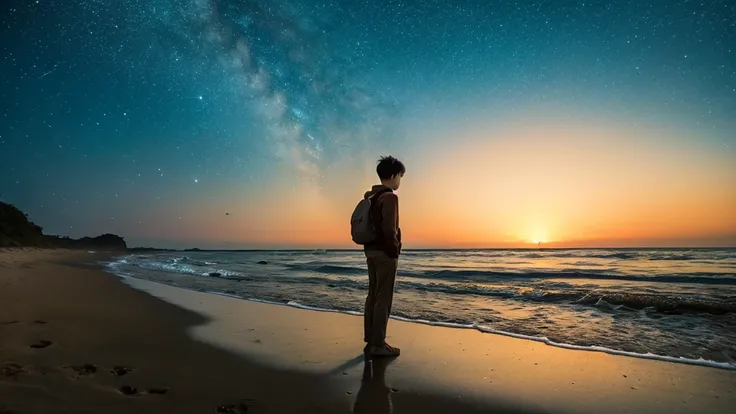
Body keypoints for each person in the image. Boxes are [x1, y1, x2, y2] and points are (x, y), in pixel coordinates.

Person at [362, 155, 405, 357]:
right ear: (394, 175)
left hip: (370, 251)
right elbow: (389, 230)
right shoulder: (390, 198)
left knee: (373, 295)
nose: (400, 182)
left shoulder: (370, 197)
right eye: (400, 177)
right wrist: (394, 250)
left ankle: (370, 341)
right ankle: (378, 344)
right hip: (384, 253)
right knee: (384, 299)